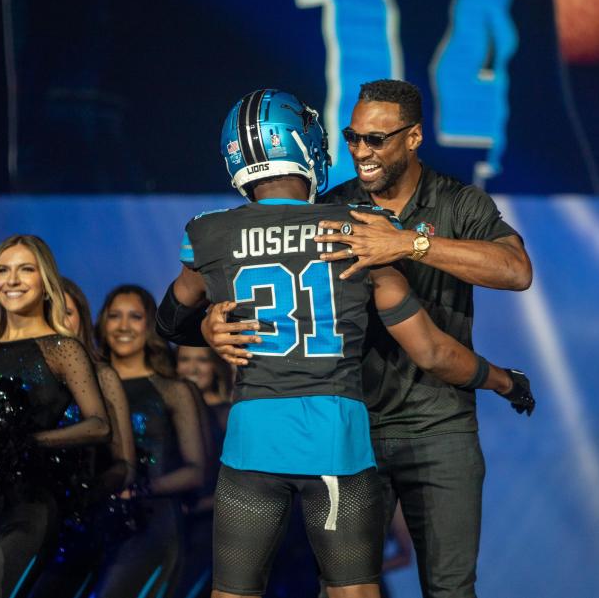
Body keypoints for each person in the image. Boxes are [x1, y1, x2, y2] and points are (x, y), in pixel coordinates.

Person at [157, 89, 531, 598]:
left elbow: (516, 271)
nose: (358, 149)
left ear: (414, 137)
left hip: (395, 427)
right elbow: (431, 350)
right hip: (346, 434)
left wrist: (408, 242)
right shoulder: (342, 216)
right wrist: (503, 381)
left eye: (374, 138)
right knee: (349, 588)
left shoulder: (458, 202)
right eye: (353, 137)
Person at [0, 234, 111, 598]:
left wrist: (30, 442)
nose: (12, 280)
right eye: (3, 270)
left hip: (30, 506)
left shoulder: (63, 350)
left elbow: (99, 425)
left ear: (45, 280)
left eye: (25, 270)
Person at [91, 284, 207, 598]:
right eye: (115, 316)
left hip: (151, 525)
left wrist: (138, 490)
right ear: (102, 323)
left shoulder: (172, 390)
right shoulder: (88, 391)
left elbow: (196, 470)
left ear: (149, 325)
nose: (123, 326)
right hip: (91, 526)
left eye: (135, 317)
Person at [31, 277, 137, 596]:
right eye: (48, 311)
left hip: (77, 527)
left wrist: (88, 495)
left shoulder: (103, 377)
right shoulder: (24, 381)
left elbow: (125, 464)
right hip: (23, 519)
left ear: (84, 318)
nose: (59, 321)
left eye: (68, 312)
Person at [175, 345, 233, 598]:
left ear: (216, 366)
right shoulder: (168, 411)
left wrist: (197, 507)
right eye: (185, 359)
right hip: (170, 522)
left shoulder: (230, 414)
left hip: (211, 525)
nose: (193, 368)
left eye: (202, 360)